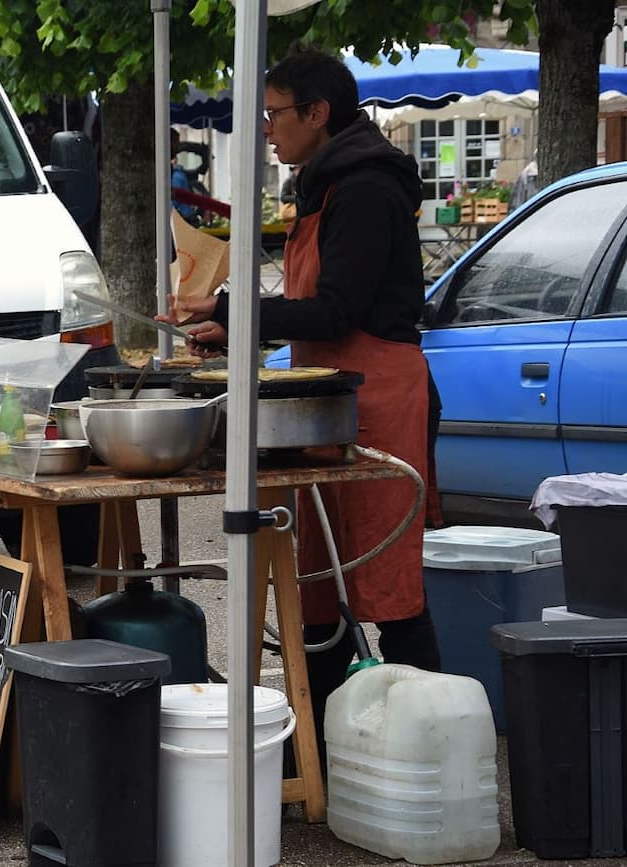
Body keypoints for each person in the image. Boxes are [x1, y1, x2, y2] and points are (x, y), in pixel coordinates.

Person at [159, 49, 442, 753]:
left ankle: (427, 742)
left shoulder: (367, 187)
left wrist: (239, 312)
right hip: (330, 398)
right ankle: (310, 751)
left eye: (275, 114)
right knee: (317, 585)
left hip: (379, 395)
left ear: (317, 113)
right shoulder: (324, 182)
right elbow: (310, 307)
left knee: (389, 590)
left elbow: (338, 308)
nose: (267, 130)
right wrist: (231, 320)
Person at [171, 127, 200, 224]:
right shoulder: (177, 176)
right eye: (176, 142)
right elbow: (174, 200)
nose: (178, 146)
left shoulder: (177, 174)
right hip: (181, 220)